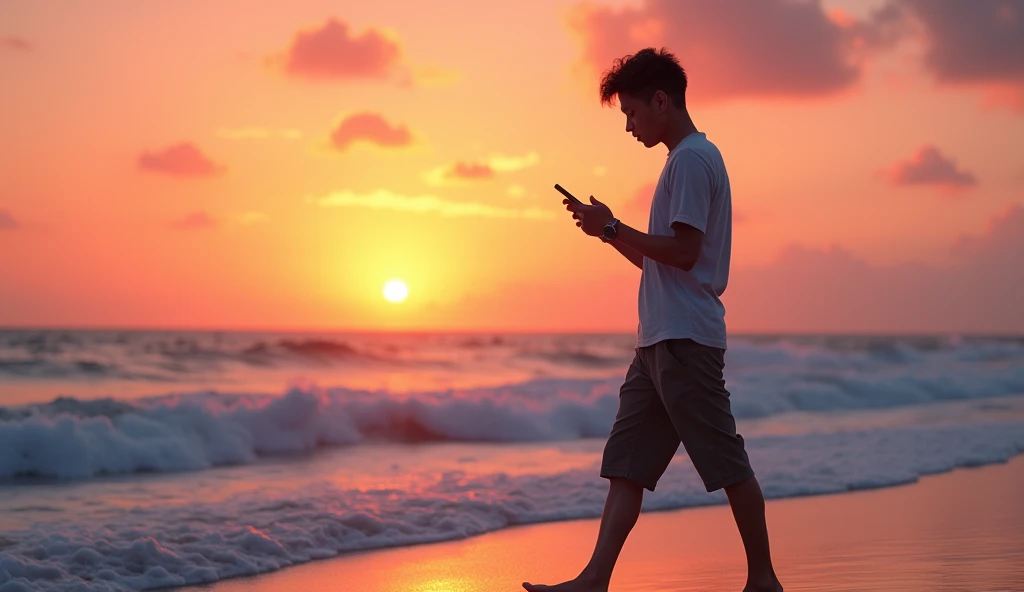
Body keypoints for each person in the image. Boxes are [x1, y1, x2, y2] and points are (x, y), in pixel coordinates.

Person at [523, 48, 783, 592]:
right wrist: (607, 233)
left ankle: (763, 579)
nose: (628, 126)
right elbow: (657, 259)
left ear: (661, 101)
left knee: (725, 462)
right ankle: (594, 580)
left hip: (685, 340)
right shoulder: (683, 161)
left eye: (632, 113)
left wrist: (614, 226)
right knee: (627, 465)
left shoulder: (691, 160)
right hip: (657, 343)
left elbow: (686, 253)